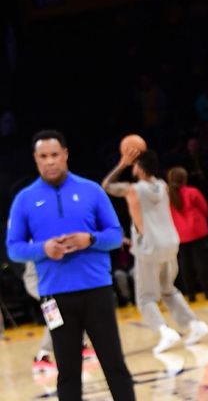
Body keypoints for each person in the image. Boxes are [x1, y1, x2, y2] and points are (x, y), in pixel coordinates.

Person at [6, 130, 135, 400]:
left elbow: (114, 235)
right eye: (43, 157)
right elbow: (14, 249)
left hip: (97, 290)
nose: (50, 161)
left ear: (65, 154)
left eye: (55, 155)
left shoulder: (91, 190)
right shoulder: (24, 200)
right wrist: (43, 249)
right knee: (67, 372)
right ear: (35, 159)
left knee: (114, 365)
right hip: (55, 295)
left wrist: (90, 239)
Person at [102, 148, 208, 353]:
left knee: (145, 298)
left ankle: (164, 331)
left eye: (135, 165)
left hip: (149, 247)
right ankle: (195, 325)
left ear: (139, 168)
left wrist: (122, 164)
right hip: (170, 244)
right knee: (168, 289)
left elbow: (106, 185)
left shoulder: (134, 189)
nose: (132, 167)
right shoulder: (163, 186)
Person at [166, 167, 208, 302]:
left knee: (185, 265)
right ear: (184, 179)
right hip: (196, 231)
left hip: (179, 234)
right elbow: (205, 209)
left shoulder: (167, 197)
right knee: (202, 262)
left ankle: (191, 295)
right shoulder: (192, 192)